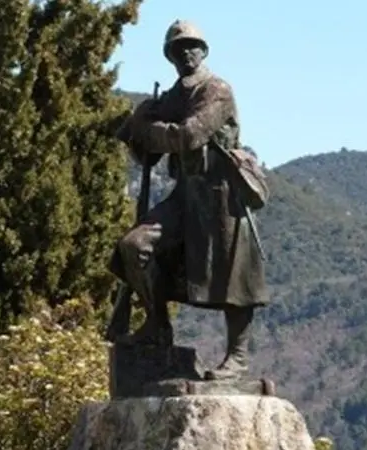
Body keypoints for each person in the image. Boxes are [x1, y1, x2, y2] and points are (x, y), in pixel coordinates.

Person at [110, 19, 269, 380]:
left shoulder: (217, 90)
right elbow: (139, 134)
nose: (185, 53)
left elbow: (188, 135)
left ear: (204, 50)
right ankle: (157, 325)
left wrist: (148, 129)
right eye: (177, 49)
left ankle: (237, 356)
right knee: (133, 246)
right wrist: (142, 120)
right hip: (186, 194)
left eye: (191, 46)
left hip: (222, 195)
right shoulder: (175, 95)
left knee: (235, 277)